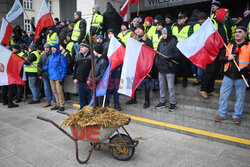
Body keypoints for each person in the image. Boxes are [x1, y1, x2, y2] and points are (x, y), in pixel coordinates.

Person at [214, 26, 250, 125]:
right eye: (236, 32)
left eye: (240, 32)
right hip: (228, 76)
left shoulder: (249, 45)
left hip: (242, 77)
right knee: (223, 96)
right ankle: (222, 114)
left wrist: (247, 70)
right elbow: (220, 59)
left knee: (240, 98)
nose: (237, 33)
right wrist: (227, 58)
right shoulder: (229, 45)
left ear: (245, 34)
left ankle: (237, 116)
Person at [200, 8, 229, 98]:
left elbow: (225, 37)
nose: (226, 19)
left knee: (216, 71)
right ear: (221, 15)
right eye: (225, 17)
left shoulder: (222, 25)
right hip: (212, 52)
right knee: (210, 71)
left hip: (221, 52)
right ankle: (203, 89)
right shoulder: (212, 23)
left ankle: (210, 90)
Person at [126, 24, 153, 108]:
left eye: (140, 29)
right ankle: (133, 98)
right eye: (137, 29)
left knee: (146, 83)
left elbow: (150, 53)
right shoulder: (133, 40)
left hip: (144, 64)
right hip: (135, 64)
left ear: (143, 30)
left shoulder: (147, 40)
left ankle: (147, 100)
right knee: (133, 82)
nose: (138, 30)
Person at [154, 28, 179, 111]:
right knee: (162, 86)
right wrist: (157, 63)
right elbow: (157, 53)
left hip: (169, 67)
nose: (163, 35)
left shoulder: (173, 41)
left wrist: (171, 57)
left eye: (165, 33)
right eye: (162, 33)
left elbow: (178, 53)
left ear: (169, 33)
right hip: (161, 68)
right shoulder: (160, 42)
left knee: (171, 87)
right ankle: (162, 101)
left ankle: (172, 103)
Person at [44, 43, 67, 111]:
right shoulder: (50, 57)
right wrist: (44, 69)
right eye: (52, 48)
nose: (53, 49)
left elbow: (64, 67)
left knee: (59, 91)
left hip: (58, 77)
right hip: (51, 76)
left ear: (57, 48)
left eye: (54, 47)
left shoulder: (61, 56)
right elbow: (47, 65)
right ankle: (57, 104)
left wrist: (62, 77)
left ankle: (62, 105)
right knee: (54, 91)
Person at [172, 12, 193, 87]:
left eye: (181, 18)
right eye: (178, 18)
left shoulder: (189, 27)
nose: (179, 20)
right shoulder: (174, 26)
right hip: (175, 49)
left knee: (185, 66)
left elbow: (190, 39)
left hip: (184, 50)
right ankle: (175, 79)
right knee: (175, 65)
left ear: (185, 19)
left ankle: (185, 80)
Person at [73, 42, 92, 109]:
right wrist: (74, 78)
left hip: (89, 81)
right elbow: (75, 68)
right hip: (80, 80)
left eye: (82, 47)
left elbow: (93, 69)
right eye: (80, 47)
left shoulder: (91, 57)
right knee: (82, 96)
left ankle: (90, 109)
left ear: (87, 48)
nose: (80, 49)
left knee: (90, 96)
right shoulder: (78, 57)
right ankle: (82, 109)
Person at [38, 43, 56, 108]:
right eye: (45, 47)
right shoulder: (42, 56)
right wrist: (39, 73)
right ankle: (48, 101)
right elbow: (39, 65)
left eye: (47, 47)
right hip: (44, 76)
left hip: (52, 75)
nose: (46, 49)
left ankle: (55, 102)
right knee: (46, 89)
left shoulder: (53, 55)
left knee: (53, 89)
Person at [192, 12, 208, 86]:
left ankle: (205, 80)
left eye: (202, 19)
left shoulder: (209, 26)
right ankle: (199, 79)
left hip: (206, 48)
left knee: (205, 66)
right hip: (198, 48)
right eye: (199, 19)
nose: (200, 21)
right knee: (199, 66)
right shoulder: (196, 26)